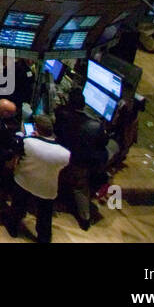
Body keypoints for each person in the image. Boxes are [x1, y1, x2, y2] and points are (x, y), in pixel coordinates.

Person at [5, 115, 71, 243]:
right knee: (45, 217)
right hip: (47, 188)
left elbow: (16, 155)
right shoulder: (65, 154)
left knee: (18, 208)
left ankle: (12, 229)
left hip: (24, 181)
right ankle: (44, 238)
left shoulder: (28, 142)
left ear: (36, 128)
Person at [55, 86, 109, 229]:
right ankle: (85, 219)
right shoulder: (95, 126)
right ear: (83, 105)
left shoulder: (61, 115)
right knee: (80, 188)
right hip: (82, 164)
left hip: (63, 159)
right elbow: (104, 143)